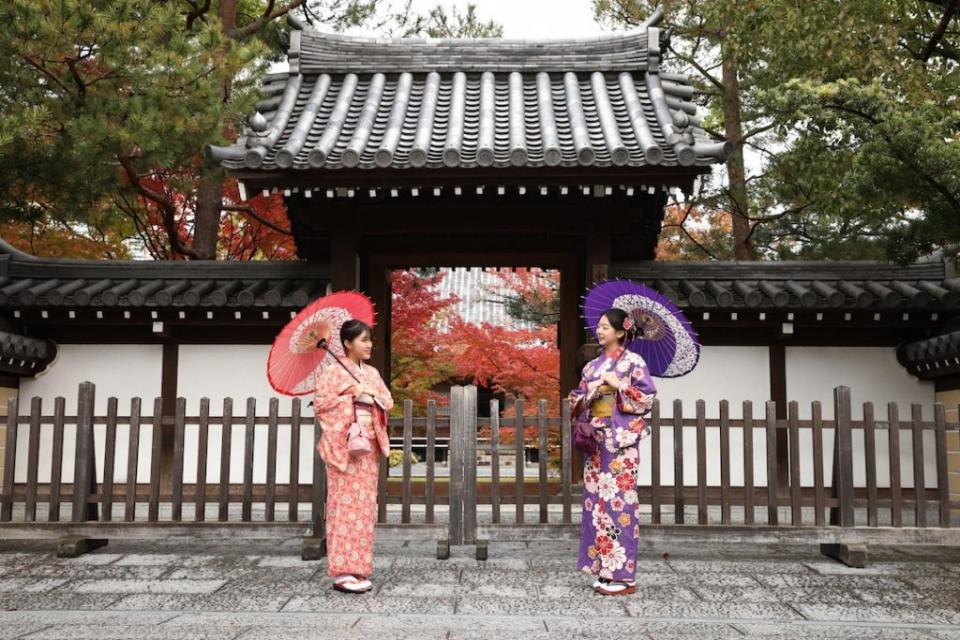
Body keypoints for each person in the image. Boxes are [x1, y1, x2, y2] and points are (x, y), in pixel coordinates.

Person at [568, 308, 657, 596]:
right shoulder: (591, 366)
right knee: (596, 504)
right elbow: (575, 400)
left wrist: (620, 385)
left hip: (621, 443)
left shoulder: (634, 362)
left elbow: (647, 399)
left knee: (620, 504)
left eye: (606, 327)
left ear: (621, 332)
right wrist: (588, 394)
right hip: (596, 441)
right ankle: (604, 571)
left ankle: (624, 575)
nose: (600, 330)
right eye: (599, 326)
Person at [314, 319, 394, 594]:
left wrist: (371, 395)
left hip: (367, 449)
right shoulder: (333, 373)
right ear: (347, 343)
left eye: (370, 339)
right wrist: (351, 396)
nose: (369, 344)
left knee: (365, 508)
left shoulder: (371, 373)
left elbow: (388, 401)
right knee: (343, 506)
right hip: (345, 448)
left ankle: (359, 568)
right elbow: (322, 406)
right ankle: (342, 571)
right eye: (363, 340)